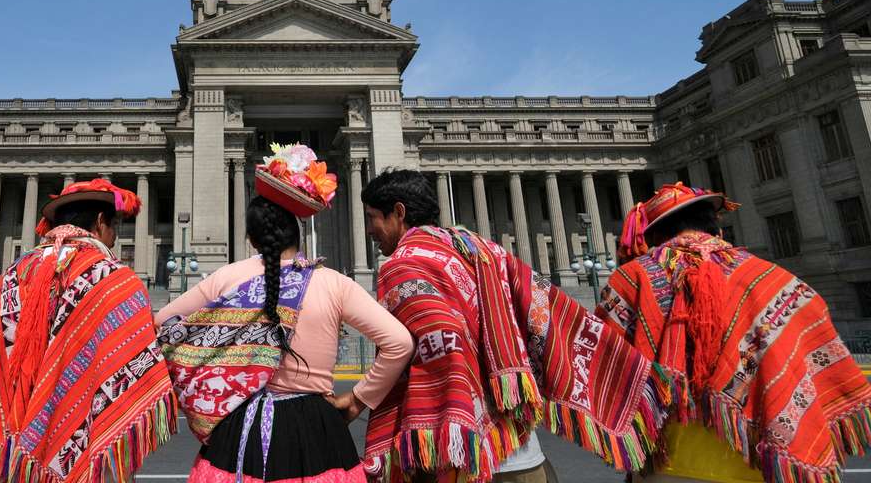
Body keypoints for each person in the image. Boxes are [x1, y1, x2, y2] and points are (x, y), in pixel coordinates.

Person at [360, 169, 673, 483]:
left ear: (398, 212)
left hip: (460, 459)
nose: (369, 230)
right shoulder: (483, 251)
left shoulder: (403, 264)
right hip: (522, 454)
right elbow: (546, 312)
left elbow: (434, 345)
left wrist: (361, 398)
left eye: (372, 217)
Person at [156, 143, 414, 483]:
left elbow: (160, 327)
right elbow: (399, 343)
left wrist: (214, 367)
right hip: (318, 427)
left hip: (240, 429)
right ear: (298, 234)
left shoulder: (227, 277)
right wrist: (358, 399)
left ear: (251, 238)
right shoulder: (334, 283)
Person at [598, 182, 871, 483]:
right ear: (718, 229)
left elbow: (606, 369)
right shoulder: (772, 280)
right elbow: (812, 343)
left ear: (653, 237)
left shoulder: (630, 279)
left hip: (666, 463)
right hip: (757, 464)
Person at [0, 178, 176, 483]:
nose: (115, 238)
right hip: (75, 452)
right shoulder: (116, 280)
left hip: (2, 458)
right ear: (99, 221)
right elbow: (131, 362)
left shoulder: (12, 275)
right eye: (114, 227)